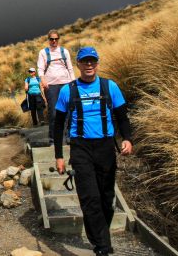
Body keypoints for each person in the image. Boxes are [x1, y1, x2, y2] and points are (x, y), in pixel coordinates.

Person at [53, 47, 133, 256]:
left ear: (97, 63)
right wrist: (59, 156)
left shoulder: (110, 86)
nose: (89, 65)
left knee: (106, 199)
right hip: (81, 149)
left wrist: (127, 139)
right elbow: (58, 125)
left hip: (106, 147)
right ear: (78, 64)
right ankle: (102, 247)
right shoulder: (67, 90)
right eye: (84, 62)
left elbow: (122, 116)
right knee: (90, 198)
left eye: (92, 61)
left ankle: (100, 236)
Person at [37, 29, 75, 144]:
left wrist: (73, 82)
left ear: (58, 39)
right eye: (51, 39)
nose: (54, 41)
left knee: (68, 111)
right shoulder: (43, 52)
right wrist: (43, 80)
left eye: (56, 39)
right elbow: (40, 68)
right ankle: (53, 138)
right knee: (53, 112)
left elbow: (70, 68)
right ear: (48, 40)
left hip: (66, 83)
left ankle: (68, 135)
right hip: (51, 86)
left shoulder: (64, 52)